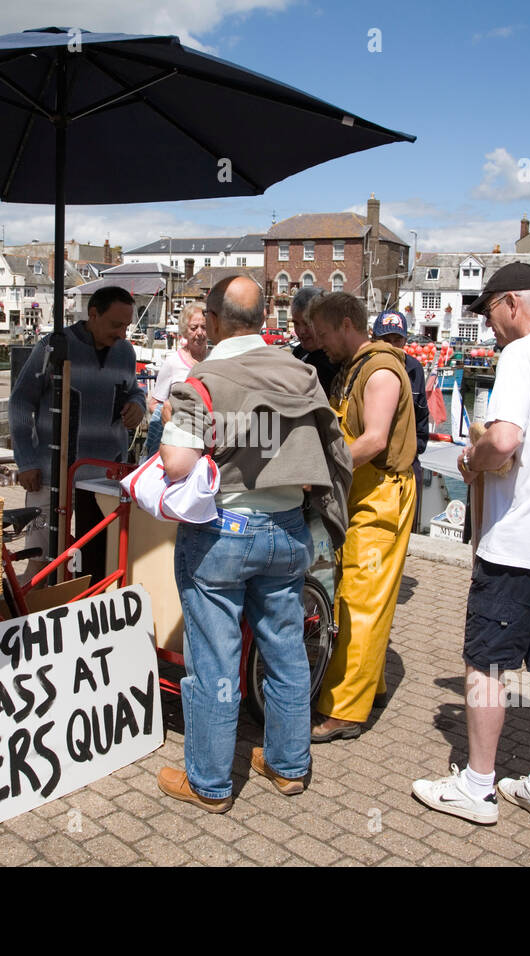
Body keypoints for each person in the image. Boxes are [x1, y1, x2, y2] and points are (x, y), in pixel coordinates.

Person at [154, 275, 352, 812]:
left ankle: (210, 784)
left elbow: (175, 464)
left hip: (223, 533)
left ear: (214, 322)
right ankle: (288, 766)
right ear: (264, 320)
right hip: (288, 529)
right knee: (285, 650)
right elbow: (333, 451)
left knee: (216, 659)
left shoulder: (205, 377)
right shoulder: (301, 374)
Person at [411, 262, 530, 829]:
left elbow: (506, 439)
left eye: (489, 312)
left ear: (513, 303)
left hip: (519, 543)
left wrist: (471, 459)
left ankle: (477, 785)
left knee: (486, 664)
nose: (488, 327)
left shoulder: (522, 356)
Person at [307, 292, 417, 742]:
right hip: (361, 493)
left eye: (325, 334)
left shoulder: (381, 370)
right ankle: (367, 685)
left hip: (382, 496)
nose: (321, 343)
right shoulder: (356, 367)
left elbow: (372, 440)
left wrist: (317, 470)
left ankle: (346, 712)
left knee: (360, 600)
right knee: (352, 597)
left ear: (348, 323)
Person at [10, 286, 145, 583]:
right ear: (92, 314)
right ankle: (30, 618)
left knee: (98, 561)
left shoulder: (125, 351)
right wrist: (26, 461)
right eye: (115, 324)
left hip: (105, 479)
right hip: (51, 474)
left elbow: (133, 389)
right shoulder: (53, 347)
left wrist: (137, 404)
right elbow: (21, 401)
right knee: (39, 561)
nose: (122, 333)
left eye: (126, 325)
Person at [371, 309, 431, 529]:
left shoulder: (414, 368)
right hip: (373, 464)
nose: (392, 345)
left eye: (398, 339)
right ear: (375, 339)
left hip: (407, 464)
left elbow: (422, 415)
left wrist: (414, 451)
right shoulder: (369, 366)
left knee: (405, 530)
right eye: (386, 340)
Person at [143, 302, 209, 458]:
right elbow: (154, 404)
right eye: (194, 328)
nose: (199, 332)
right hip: (179, 443)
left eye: (204, 327)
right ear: (185, 331)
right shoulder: (173, 363)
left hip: (208, 439)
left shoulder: (215, 359)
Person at [290, 285, 338, 395]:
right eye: (296, 323)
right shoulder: (298, 351)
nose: (301, 331)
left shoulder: (333, 359)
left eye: (307, 323)